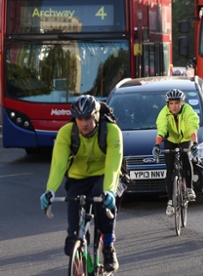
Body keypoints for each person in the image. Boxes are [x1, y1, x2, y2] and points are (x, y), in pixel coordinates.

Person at [40, 95, 122, 273]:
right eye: (80, 119)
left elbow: (113, 165)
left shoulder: (112, 131)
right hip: (77, 179)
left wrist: (109, 191)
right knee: (74, 231)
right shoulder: (66, 133)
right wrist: (50, 191)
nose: (84, 124)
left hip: (103, 175)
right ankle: (81, 256)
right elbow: (58, 164)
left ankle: (108, 247)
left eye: (88, 118)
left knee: (103, 203)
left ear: (97, 116)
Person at [152, 89, 200, 217]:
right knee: (169, 169)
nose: (174, 106)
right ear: (168, 104)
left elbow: (192, 126)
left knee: (185, 156)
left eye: (177, 103)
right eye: (171, 103)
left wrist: (194, 143)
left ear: (182, 103)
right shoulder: (163, 113)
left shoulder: (188, 111)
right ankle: (170, 202)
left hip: (185, 139)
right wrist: (157, 144)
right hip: (171, 140)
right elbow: (161, 129)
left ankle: (189, 189)